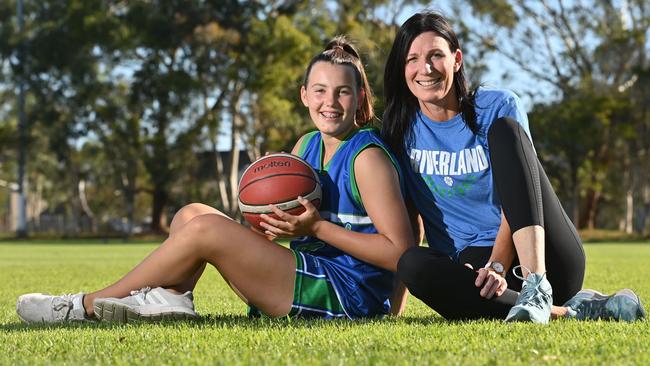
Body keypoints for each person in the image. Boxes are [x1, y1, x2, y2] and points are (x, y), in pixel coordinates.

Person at [16, 36, 414, 323]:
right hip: (309, 269)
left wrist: (317, 228)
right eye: (321, 90)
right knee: (191, 214)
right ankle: (173, 299)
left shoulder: (368, 158)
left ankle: (80, 306)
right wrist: (273, 228)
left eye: (343, 92)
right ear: (304, 95)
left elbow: (401, 253)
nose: (330, 102)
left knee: (205, 229)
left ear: (361, 97)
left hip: (344, 296)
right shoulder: (306, 144)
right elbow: (292, 225)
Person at [381, 11, 645, 323]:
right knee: (411, 263)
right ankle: (572, 311)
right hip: (476, 271)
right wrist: (396, 304)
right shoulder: (399, 129)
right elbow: (411, 219)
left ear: (456, 60)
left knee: (507, 131)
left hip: (544, 253)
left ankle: (537, 289)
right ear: (402, 67)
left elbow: (520, 192)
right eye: (412, 58)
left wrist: (498, 264)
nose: (425, 68)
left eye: (436, 55)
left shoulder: (497, 106)